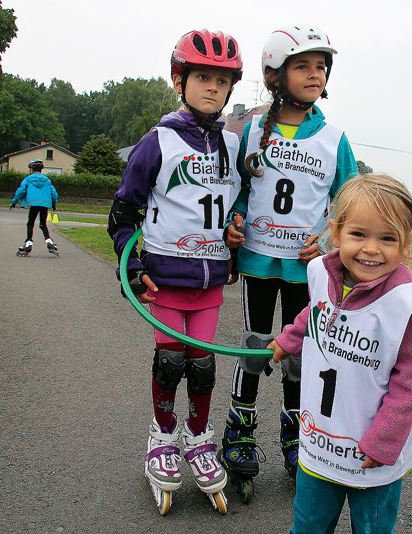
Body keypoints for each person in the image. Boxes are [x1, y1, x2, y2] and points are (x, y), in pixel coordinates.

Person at [107, 29, 243, 514]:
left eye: (223, 81)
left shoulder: (231, 146)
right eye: (203, 76)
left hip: (210, 284)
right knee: (170, 363)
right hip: (167, 279)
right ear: (179, 79)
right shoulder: (157, 141)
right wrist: (134, 261)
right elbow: (123, 214)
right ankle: (162, 438)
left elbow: (230, 210)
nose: (213, 88)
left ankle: (199, 438)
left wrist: (234, 234)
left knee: (202, 366)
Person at [219, 23, 358, 494]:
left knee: (300, 352)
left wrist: (329, 237)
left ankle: (297, 437)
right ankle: (239, 433)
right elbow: (241, 191)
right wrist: (235, 221)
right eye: (303, 66)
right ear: (275, 74)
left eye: (321, 67)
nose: (315, 74)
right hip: (259, 259)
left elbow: (349, 200)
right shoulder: (254, 129)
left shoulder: (334, 138)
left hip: (306, 266)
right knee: (257, 344)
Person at [267, 174, 412, 534]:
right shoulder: (321, 273)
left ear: (407, 243)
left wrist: (383, 441)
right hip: (320, 441)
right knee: (308, 526)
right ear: (336, 232)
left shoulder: (407, 306)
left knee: (373, 528)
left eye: (387, 238)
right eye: (359, 234)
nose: (371, 249)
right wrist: (290, 338)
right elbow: (316, 311)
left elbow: (409, 383)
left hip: (373, 453)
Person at [9, 159, 59, 257]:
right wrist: (53, 204)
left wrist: (14, 202)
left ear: (31, 169)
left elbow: (21, 190)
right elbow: (54, 193)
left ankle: (28, 243)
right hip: (45, 204)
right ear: (41, 170)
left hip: (34, 203)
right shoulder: (47, 180)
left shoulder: (28, 179)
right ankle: (49, 242)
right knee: (43, 224)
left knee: (30, 223)